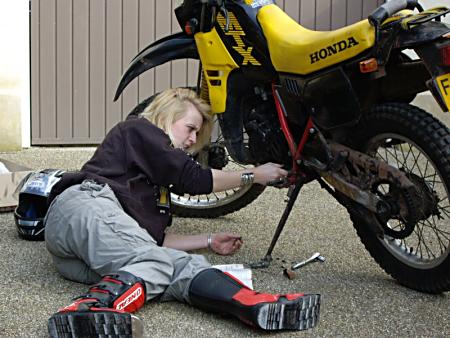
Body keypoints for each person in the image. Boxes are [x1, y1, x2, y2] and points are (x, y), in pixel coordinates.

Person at [45, 88, 321, 337]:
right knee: (157, 263)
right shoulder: (139, 130)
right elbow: (194, 179)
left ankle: (252, 304)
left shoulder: (154, 184)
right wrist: (255, 175)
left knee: (182, 265)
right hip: (85, 207)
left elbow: (156, 240)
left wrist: (210, 241)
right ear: (166, 116)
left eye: (196, 134)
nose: (192, 140)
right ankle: (90, 309)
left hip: (85, 250)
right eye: (190, 128)